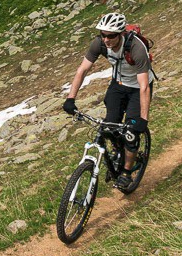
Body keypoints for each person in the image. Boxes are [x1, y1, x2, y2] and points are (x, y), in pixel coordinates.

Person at [62, 12, 153, 191]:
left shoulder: (136, 48)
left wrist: (143, 119)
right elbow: (82, 71)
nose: (106, 40)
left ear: (121, 34)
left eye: (111, 36)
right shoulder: (98, 43)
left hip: (137, 88)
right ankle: (119, 152)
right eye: (103, 35)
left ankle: (127, 172)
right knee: (110, 125)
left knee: (131, 131)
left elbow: (144, 87)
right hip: (117, 85)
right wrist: (70, 98)